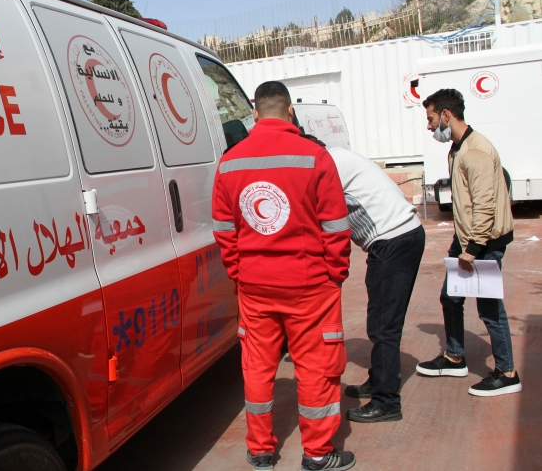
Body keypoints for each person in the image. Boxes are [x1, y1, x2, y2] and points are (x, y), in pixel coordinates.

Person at [212, 81, 355, 471]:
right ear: (290, 111)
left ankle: (260, 451)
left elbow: (224, 229)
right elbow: (337, 226)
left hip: (255, 286)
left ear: (254, 113)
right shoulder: (315, 157)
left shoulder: (229, 162)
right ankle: (318, 454)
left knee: (257, 367)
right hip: (310, 286)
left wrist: (239, 272)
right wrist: (334, 275)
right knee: (316, 366)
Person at [416, 89, 521, 397]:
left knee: (489, 309)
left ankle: (507, 372)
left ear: (446, 115)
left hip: (483, 242)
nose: (429, 126)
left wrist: (473, 249)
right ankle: (454, 357)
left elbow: (485, 204)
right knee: (450, 298)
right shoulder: (457, 148)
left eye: (431, 119)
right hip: (465, 237)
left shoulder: (475, 151)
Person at [316, 140, 425, 422]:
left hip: (394, 241)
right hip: (397, 239)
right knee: (380, 320)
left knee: (384, 326)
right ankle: (379, 382)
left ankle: (387, 402)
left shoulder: (329, 164)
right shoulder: (335, 157)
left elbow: (317, 216)